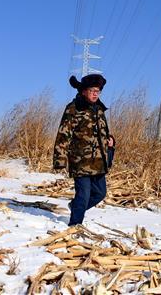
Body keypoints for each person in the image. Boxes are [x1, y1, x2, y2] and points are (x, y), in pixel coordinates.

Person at [53, 73, 115, 226]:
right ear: (83, 91)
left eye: (98, 91)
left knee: (100, 194)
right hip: (80, 160)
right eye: (93, 90)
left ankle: (75, 207)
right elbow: (63, 134)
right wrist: (60, 159)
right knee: (83, 195)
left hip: (99, 160)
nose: (96, 94)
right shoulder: (74, 108)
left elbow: (102, 132)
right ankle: (75, 225)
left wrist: (110, 141)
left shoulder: (99, 109)